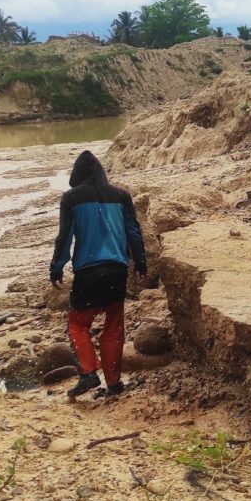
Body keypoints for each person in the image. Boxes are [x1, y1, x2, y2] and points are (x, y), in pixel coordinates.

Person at [50, 150, 147, 399]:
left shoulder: (71, 198)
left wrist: (57, 266)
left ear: (76, 175)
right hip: (117, 269)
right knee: (114, 326)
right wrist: (141, 262)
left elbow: (65, 235)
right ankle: (114, 384)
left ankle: (88, 372)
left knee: (77, 324)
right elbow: (133, 231)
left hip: (88, 271)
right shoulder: (121, 195)